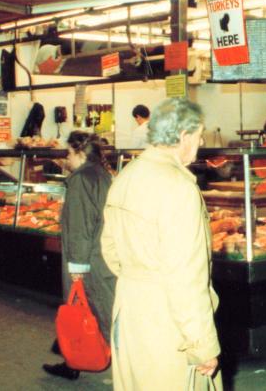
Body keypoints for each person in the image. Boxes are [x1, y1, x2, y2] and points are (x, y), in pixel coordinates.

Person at [101, 98, 221, 390]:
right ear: (183, 136)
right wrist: (203, 345)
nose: (201, 141)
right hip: (167, 321)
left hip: (128, 309)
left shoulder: (126, 176)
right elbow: (186, 277)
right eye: (199, 135)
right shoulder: (179, 188)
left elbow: (109, 249)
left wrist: (138, 274)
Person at [43, 131, 116, 380]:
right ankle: (70, 358)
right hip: (104, 256)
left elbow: (80, 226)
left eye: (69, 153)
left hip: (88, 261)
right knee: (96, 313)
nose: (67, 158)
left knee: (92, 313)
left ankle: (132, 372)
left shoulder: (81, 179)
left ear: (80, 153)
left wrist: (77, 269)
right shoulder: (102, 174)